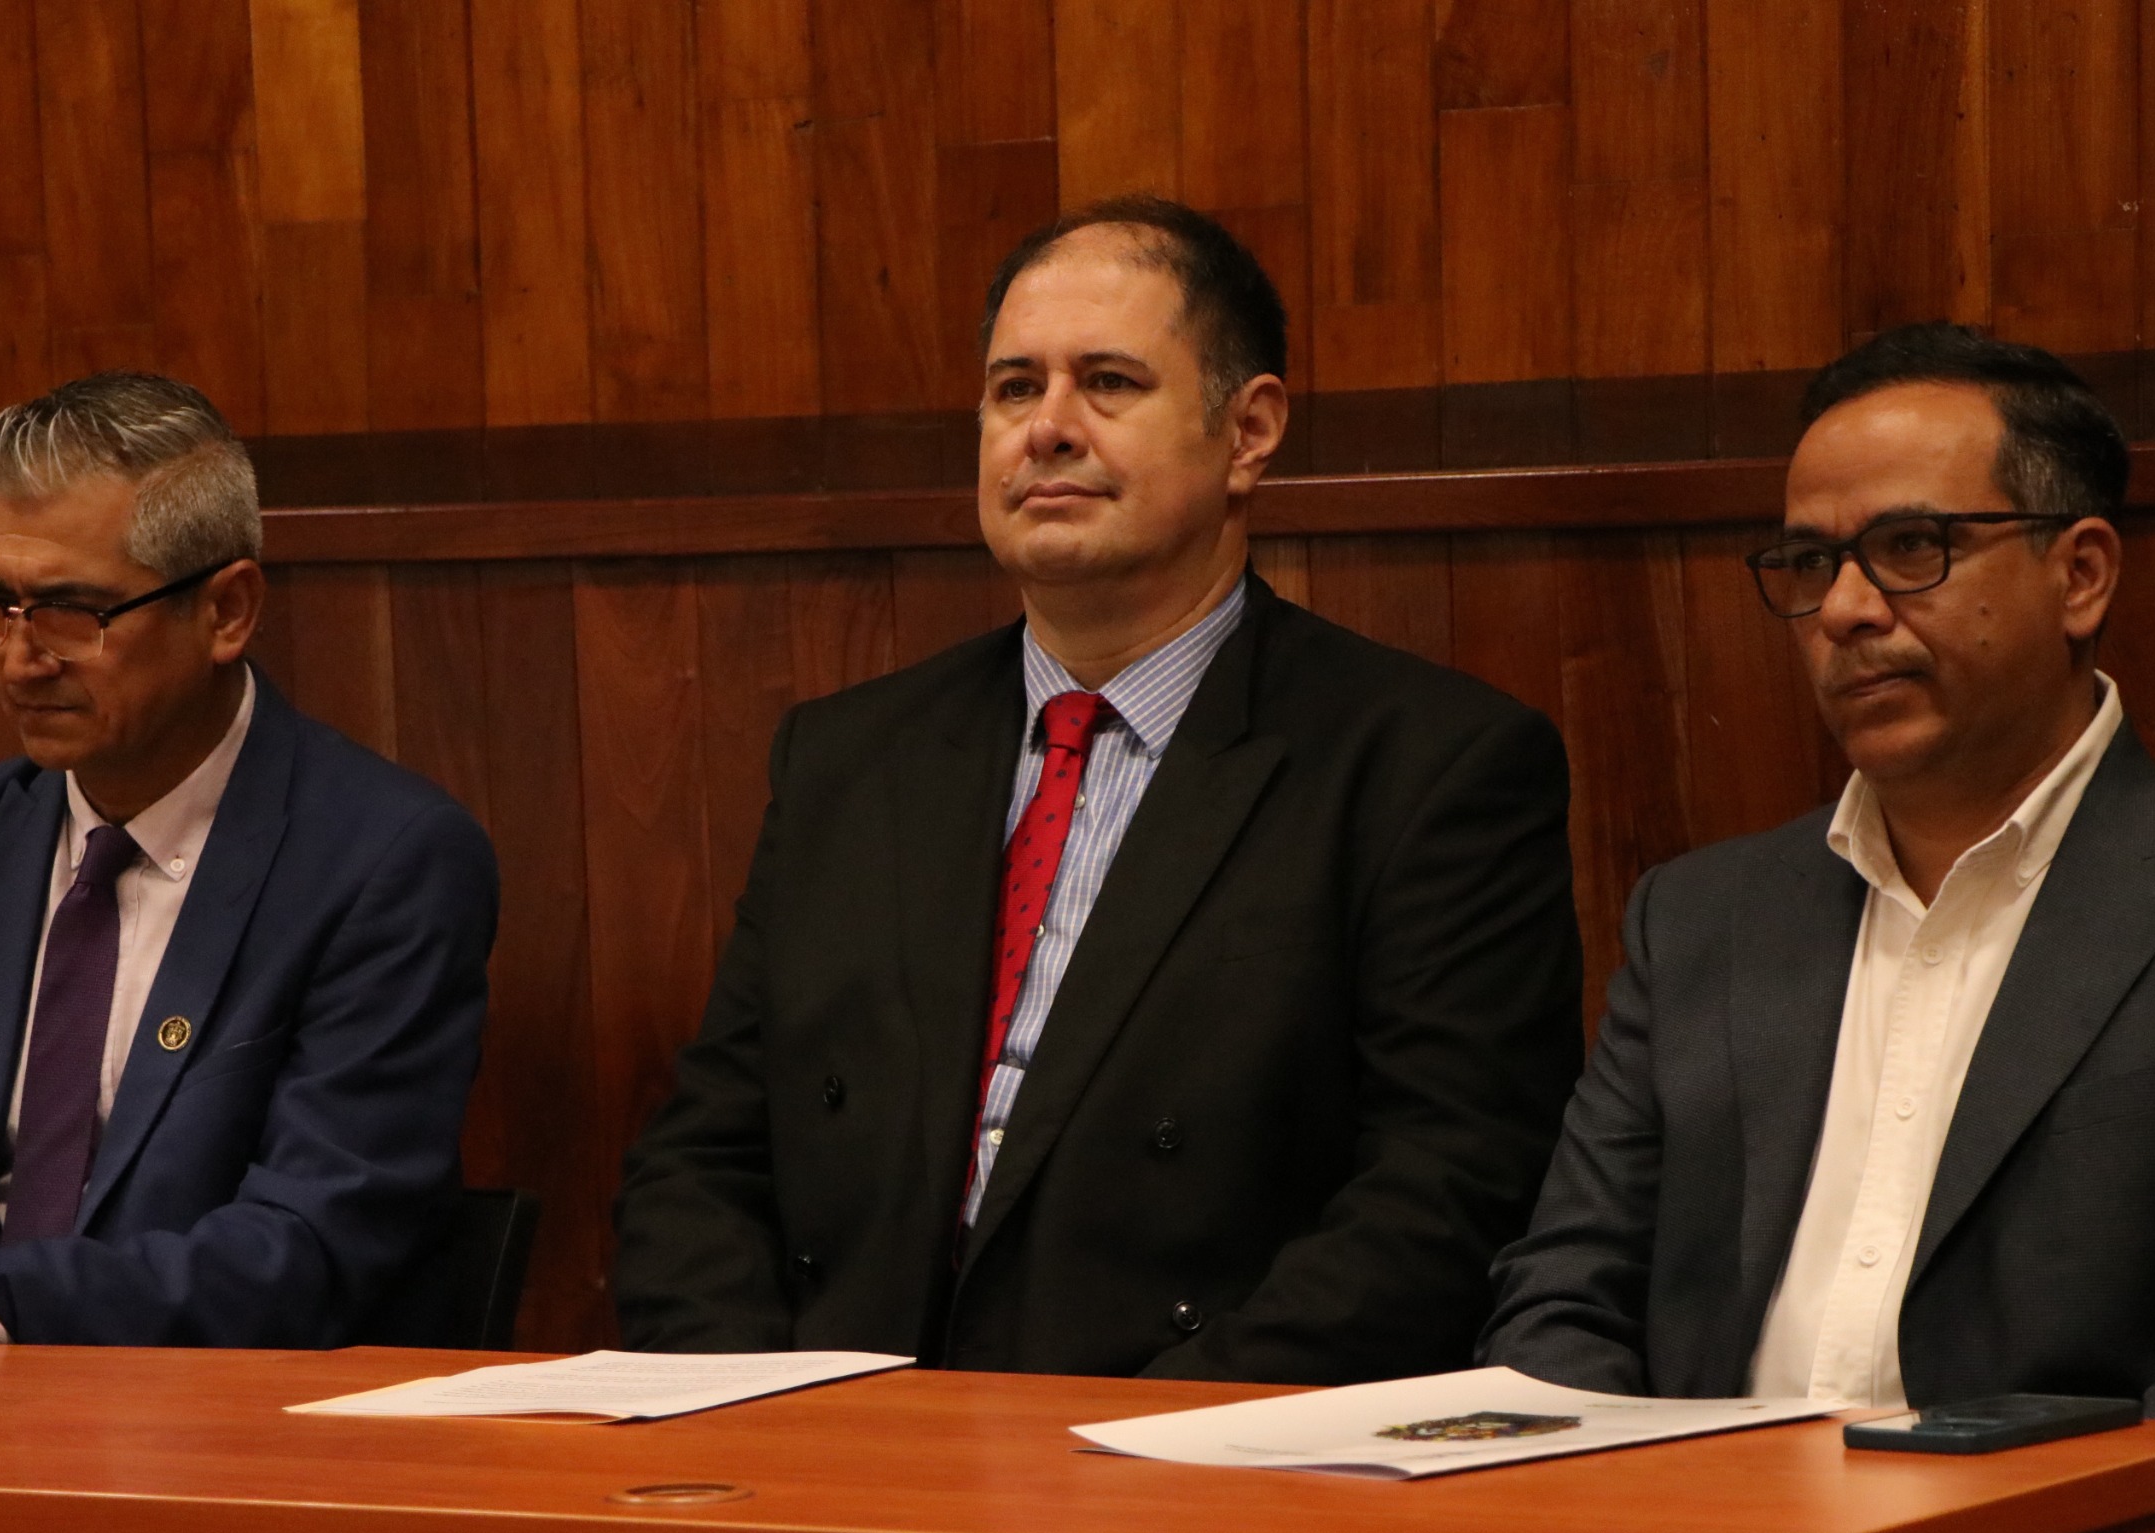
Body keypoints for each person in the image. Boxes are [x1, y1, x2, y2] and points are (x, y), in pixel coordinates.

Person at [613, 196, 1583, 1383]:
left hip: (1199, 1441)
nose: (1047, 429)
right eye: (1014, 388)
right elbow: (703, 1158)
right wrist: (752, 1408)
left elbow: (1448, 1189)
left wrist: (1137, 1444)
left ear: (1248, 430)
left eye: (1108, 382)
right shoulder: (850, 758)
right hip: (833, 1430)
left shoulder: (1428, 764)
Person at [1480, 323, 2155, 1533]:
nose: (1848, 609)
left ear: (2080, 571)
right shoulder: (1701, 920)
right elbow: (1562, 1299)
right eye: (1811, 564)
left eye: (1912, 548)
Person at [0, 372, 499, 1357]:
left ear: (227, 611)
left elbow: (306, 1254)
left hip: (224, 1420)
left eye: (72, 613)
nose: (19, 659)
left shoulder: (384, 861)